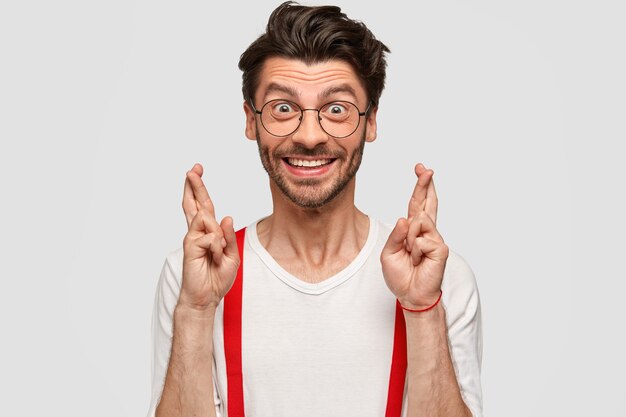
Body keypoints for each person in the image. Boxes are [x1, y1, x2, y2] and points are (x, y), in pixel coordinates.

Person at [147, 2, 482, 417]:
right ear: (251, 120)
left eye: (336, 109)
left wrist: (422, 308)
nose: (309, 135)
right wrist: (197, 311)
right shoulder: (191, 275)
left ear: (371, 121)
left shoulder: (439, 278)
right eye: (283, 108)